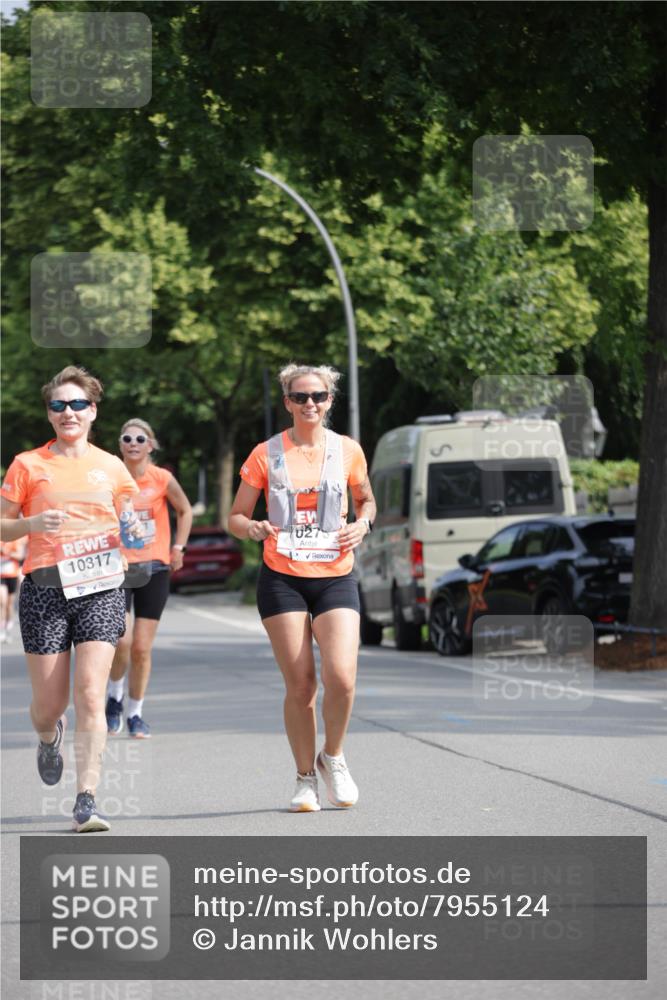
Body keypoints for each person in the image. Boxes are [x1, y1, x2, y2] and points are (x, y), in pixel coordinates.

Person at [0, 366, 143, 832]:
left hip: (101, 587)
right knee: (49, 704)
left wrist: (135, 530)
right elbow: (2, 524)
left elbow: (132, 522)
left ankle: (88, 799)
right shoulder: (28, 465)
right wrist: (31, 525)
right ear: (49, 413)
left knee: (89, 694)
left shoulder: (113, 466)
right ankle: (47, 737)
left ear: (93, 411)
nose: (68, 412)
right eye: (58, 405)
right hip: (44, 589)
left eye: (77, 404)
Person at [229, 364, 376, 812]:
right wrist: (252, 528)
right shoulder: (265, 453)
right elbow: (234, 517)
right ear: (287, 402)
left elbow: (366, 499)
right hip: (282, 578)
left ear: (330, 400)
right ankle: (304, 778)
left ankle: (332, 756)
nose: (309, 404)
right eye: (299, 397)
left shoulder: (348, 450)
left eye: (318, 396)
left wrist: (364, 523)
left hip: (334, 575)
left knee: (343, 679)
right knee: (301, 686)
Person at [105, 418, 192, 737]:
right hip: (120, 567)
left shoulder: (162, 478)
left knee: (142, 648)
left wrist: (178, 547)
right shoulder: (111, 478)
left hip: (155, 568)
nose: (133, 443)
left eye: (140, 439)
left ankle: (135, 713)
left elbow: (185, 510)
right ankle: (114, 697)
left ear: (150, 445)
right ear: (120, 444)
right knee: (121, 641)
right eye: (126, 438)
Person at [0, 537, 25, 642]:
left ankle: (8, 629)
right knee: (2, 602)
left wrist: (7, 553)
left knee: (9, 604)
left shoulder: (14, 541)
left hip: (12, 575)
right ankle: (1, 630)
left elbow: (20, 556)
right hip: (1, 575)